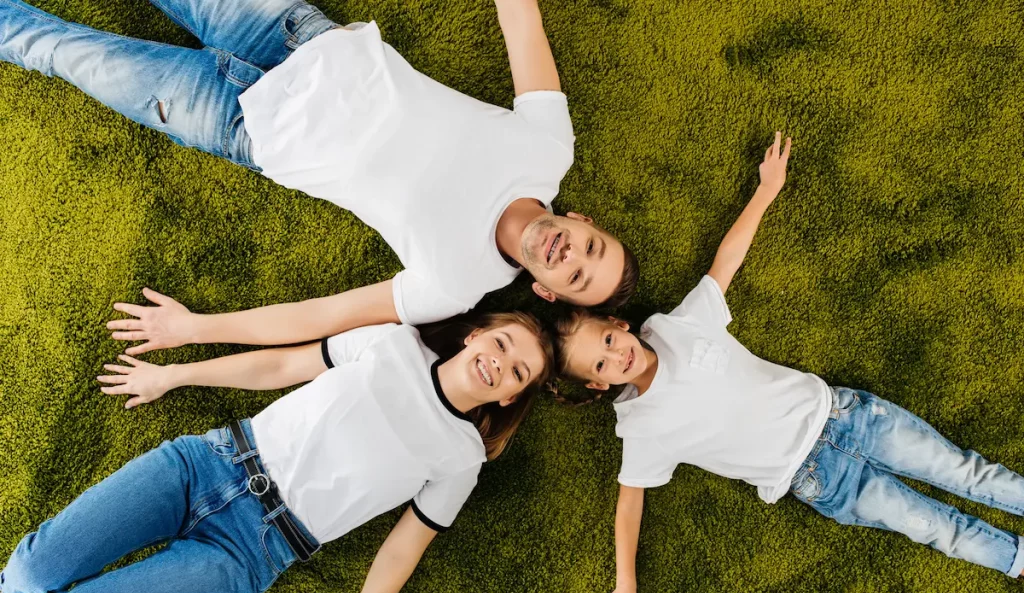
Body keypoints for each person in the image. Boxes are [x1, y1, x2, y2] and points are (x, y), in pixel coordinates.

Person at [552, 132, 1024, 593]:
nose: (615, 356)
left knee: (965, 471)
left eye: (606, 339)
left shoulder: (675, 326)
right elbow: (629, 504)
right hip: (820, 480)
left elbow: (724, 264)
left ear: (617, 325)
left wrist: (766, 190)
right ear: (600, 383)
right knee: (937, 527)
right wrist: (626, 584)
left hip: (848, 416)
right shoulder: (640, 429)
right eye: (602, 364)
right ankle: (1016, 560)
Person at [0, 0, 639, 346]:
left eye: (575, 275)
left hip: (244, 127)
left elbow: (321, 318)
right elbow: (520, 20)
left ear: (547, 292)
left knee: (62, 53)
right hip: (291, 37)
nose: (569, 253)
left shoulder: (455, 286)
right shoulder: (549, 148)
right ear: (583, 222)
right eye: (591, 245)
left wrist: (196, 330)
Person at [0, 311, 554, 593]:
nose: (501, 362)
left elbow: (402, 551)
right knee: (30, 568)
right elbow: (284, 365)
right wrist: (173, 376)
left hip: (253, 550)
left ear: (512, 394)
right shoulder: (392, 342)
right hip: (206, 464)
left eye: (518, 371)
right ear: (475, 335)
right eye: (502, 343)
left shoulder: (462, 458)